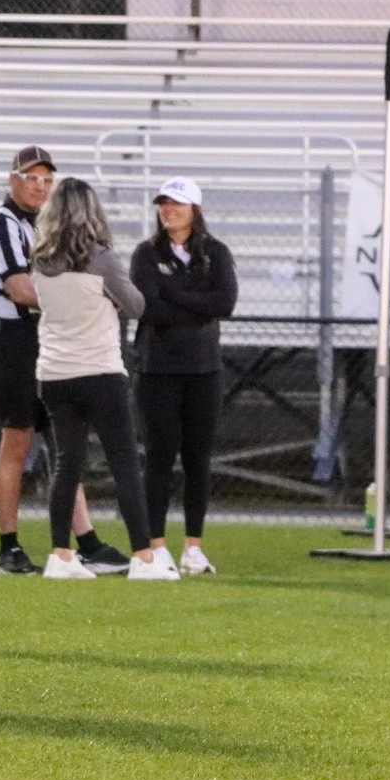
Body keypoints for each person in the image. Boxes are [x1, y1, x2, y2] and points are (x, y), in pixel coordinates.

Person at [0, 146, 131, 576]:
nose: (40, 186)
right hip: (17, 341)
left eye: (47, 179)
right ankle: (8, 545)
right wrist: (79, 304)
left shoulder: (50, 227)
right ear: (13, 179)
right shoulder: (1, 224)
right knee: (17, 441)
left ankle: (86, 541)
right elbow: (19, 288)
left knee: (65, 446)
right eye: (32, 178)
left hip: (53, 336)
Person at [30, 178, 174, 582]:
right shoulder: (102, 259)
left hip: (55, 373)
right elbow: (137, 305)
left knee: (67, 464)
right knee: (124, 463)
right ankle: (144, 557)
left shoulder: (39, 260)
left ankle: (61, 554)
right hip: (100, 371)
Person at [131, 177, 238, 576]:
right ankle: (156, 544)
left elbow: (225, 302)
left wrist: (174, 294)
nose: (168, 210)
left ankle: (194, 546)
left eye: (176, 203)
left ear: (195, 209)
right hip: (157, 369)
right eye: (164, 203)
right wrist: (197, 306)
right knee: (159, 457)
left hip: (204, 369)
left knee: (198, 459)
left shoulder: (216, 253)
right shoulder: (146, 254)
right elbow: (149, 307)